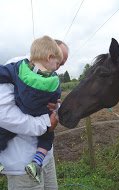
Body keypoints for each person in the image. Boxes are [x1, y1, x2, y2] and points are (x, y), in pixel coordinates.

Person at [0, 39, 69, 189]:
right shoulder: (17, 65)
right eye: (59, 62)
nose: (58, 68)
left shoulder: (50, 77)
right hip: (21, 163)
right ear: (50, 53)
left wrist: (56, 106)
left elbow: (56, 101)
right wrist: (46, 123)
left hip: (46, 158)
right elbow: (4, 115)